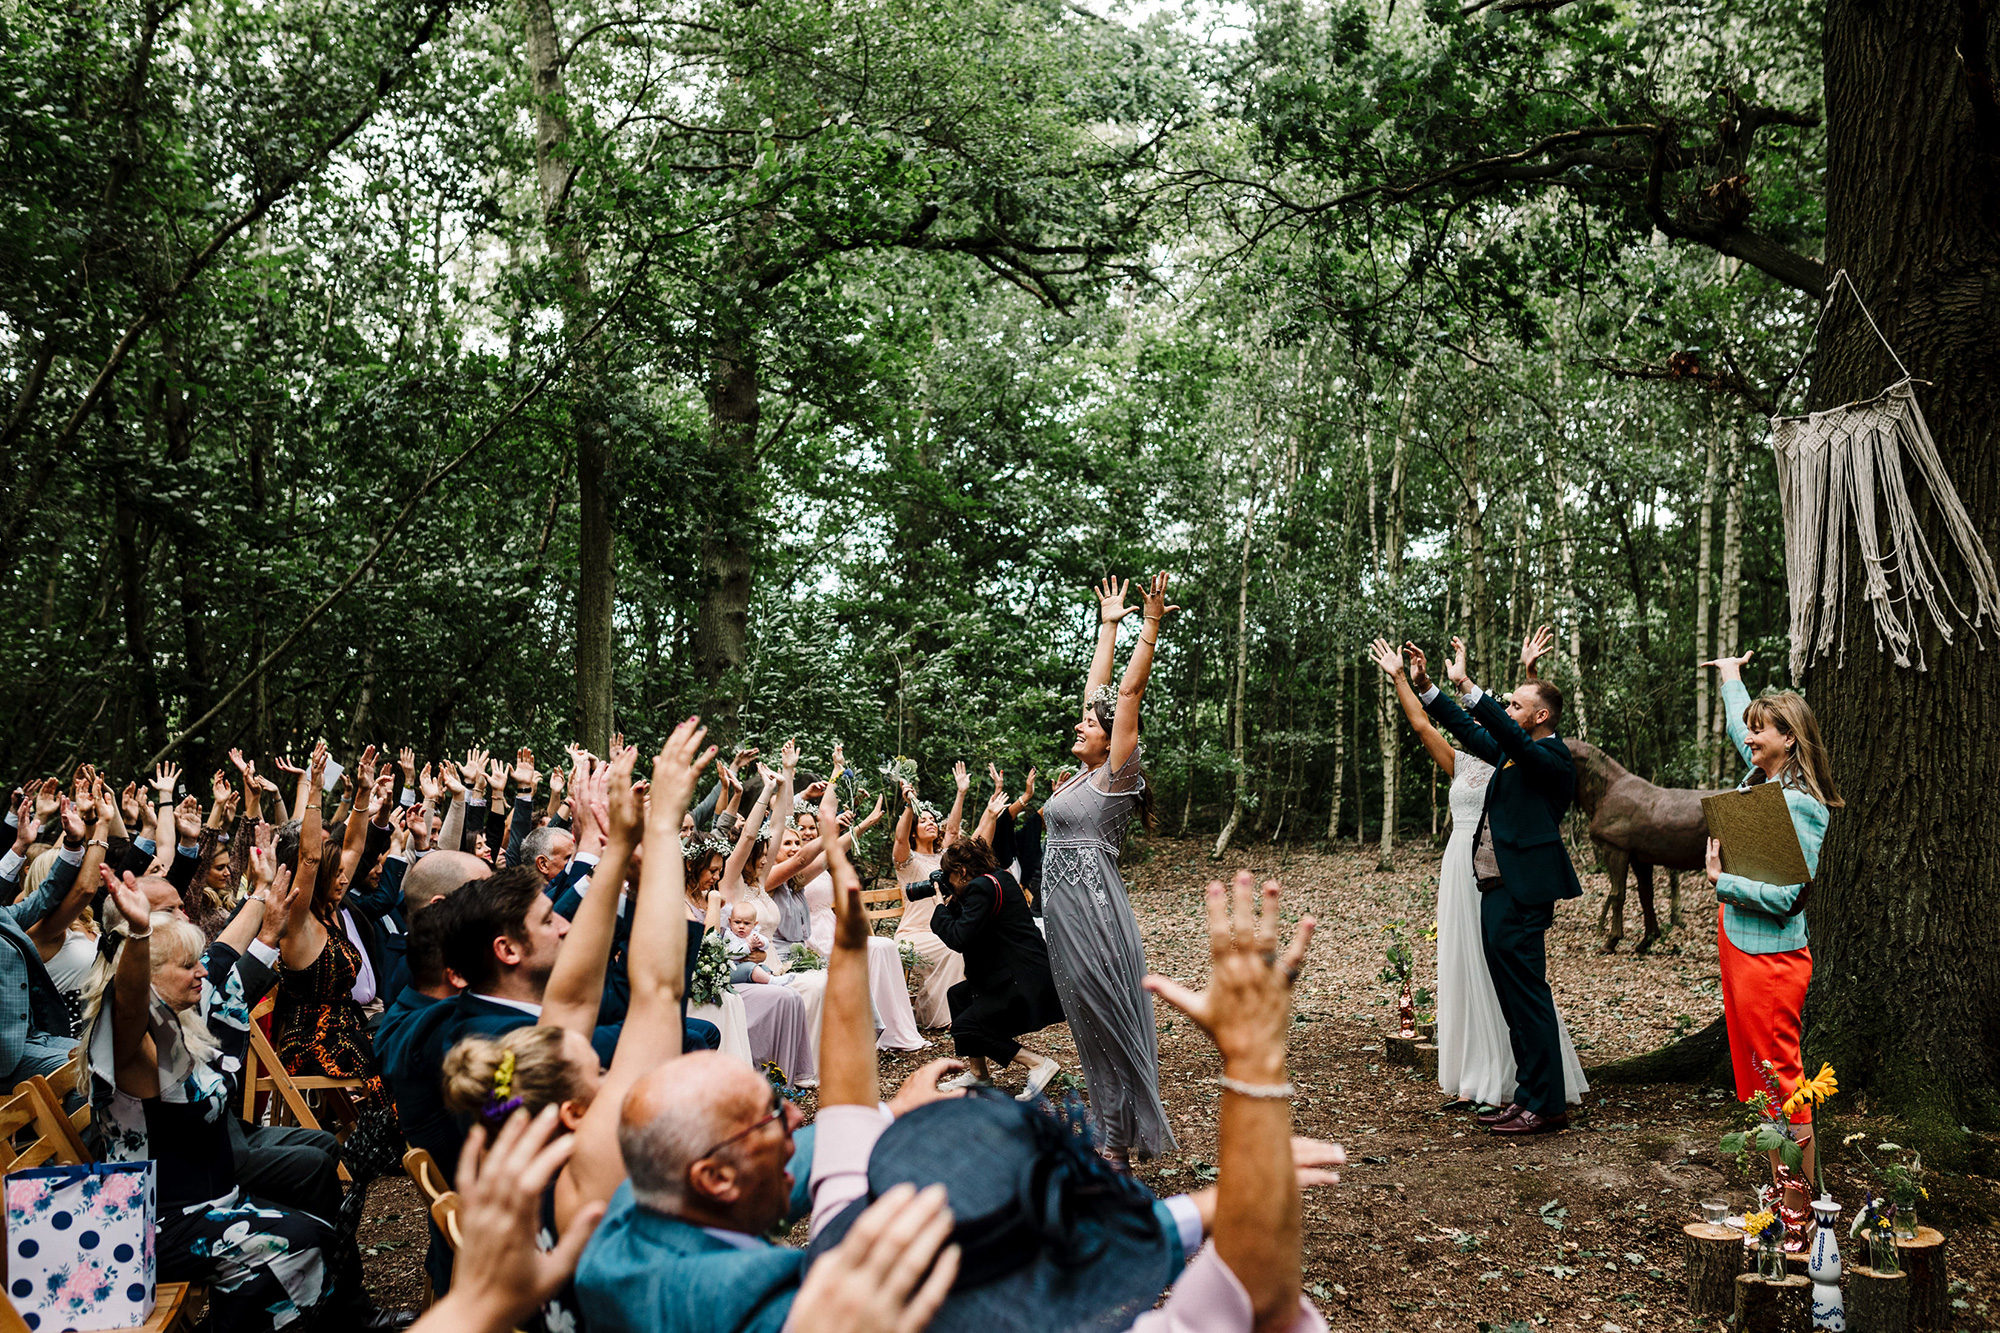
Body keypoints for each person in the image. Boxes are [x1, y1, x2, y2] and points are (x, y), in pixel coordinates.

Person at [440, 729, 704, 1333]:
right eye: (601, 1073)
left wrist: (613, 855)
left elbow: (572, 997)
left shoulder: (515, 1106)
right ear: (578, 1111)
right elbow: (657, 994)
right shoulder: (595, 1164)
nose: (606, 1069)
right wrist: (661, 834)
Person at [84, 861, 411, 1330]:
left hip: (210, 1204)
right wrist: (137, 935)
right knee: (300, 1242)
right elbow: (131, 1002)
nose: (203, 973)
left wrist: (260, 898)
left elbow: (223, 953)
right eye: (186, 966)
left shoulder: (180, 1020)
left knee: (313, 1233)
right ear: (151, 977)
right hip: (155, 1221)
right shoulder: (134, 1044)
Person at [1368, 633, 1588, 1112]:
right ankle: (1523, 1093)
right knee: (1510, 1001)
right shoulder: (1513, 752)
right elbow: (1470, 732)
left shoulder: (1552, 757)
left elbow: (1510, 734)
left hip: (1523, 891)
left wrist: (1469, 685)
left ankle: (1544, 1107)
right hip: (1494, 887)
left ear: (1540, 718)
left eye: (1515, 705)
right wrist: (1427, 686)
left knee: (1527, 1000)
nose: (1507, 710)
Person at [1040, 573, 1178, 1164]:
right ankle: (1109, 1137)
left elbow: (1123, 698)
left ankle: (1118, 1144)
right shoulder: (1080, 776)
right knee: (1085, 1024)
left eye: (1089, 726)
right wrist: (1107, 625)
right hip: (1064, 912)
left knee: (1105, 1017)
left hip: (1093, 910)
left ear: (1113, 743)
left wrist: (1146, 627)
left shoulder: (1116, 778)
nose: (1080, 724)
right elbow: (1098, 693)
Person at [1702, 648, 1840, 1224]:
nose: (1750, 740)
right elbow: (1744, 733)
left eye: (1762, 733)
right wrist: (1733, 678)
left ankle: (1799, 1212)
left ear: (1790, 739)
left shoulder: (1803, 806)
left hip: (1773, 960)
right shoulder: (1766, 779)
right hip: (1742, 948)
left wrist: (1721, 880)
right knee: (1761, 1077)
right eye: (1751, 732)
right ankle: (1779, 1193)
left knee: (1783, 1078)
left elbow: (1789, 898)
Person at [908, 836, 1063, 1098]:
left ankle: (1037, 1063)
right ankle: (979, 1075)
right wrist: (953, 900)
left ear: (963, 872)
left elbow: (959, 938)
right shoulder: (999, 878)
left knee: (966, 1026)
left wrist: (938, 907)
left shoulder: (981, 888)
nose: (948, 882)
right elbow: (976, 924)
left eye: (949, 876)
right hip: (1025, 972)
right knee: (959, 997)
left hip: (1021, 981)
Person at [892, 767, 969, 1027]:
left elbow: (954, 831)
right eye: (923, 820)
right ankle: (944, 1017)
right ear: (914, 830)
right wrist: (908, 807)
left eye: (933, 820)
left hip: (940, 929)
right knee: (953, 949)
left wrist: (961, 793)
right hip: (913, 934)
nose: (931, 823)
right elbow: (899, 837)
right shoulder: (908, 862)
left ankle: (950, 1011)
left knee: (963, 944)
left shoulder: (943, 859)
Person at [724, 902, 775, 984]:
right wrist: (748, 946)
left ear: (754, 924)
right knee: (752, 968)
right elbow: (732, 954)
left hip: (751, 967)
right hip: (734, 968)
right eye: (737, 922)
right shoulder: (729, 936)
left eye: (746, 923)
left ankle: (768, 981)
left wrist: (761, 943)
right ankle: (771, 981)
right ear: (730, 921)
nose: (741, 926)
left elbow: (766, 943)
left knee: (764, 968)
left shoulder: (752, 934)